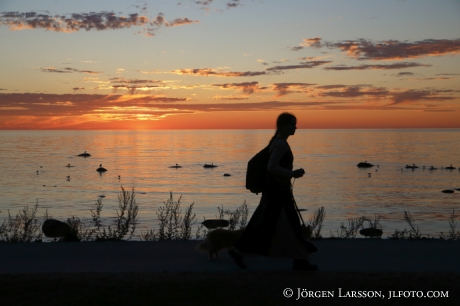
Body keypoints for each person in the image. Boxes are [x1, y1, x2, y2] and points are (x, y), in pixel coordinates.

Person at [228, 112, 318, 271]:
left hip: (276, 192)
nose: (295, 127)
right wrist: (292, 174)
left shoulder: (278, 142)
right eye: (292, 124)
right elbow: (272, 167)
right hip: (278, 193)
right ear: (283, 126)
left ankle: (299, 260)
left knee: (264, 223)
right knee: (278, 223)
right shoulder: (280, 144)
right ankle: (300, 261)